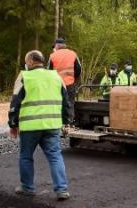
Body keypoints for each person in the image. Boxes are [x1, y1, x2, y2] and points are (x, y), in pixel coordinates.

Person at [9, 50, 70, 201]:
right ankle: (62, 189)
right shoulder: (56, 76)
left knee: (26, 157)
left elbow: (15, 102)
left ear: (30, 62)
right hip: (52, 125)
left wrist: (12, 123)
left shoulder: (25, 76)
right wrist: (66, 121)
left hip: (30, 126)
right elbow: (66, 102)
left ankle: (27, 188)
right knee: (55, 156)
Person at [48, 37, 81, 124]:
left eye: (54, 46)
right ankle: (69, 124)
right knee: (69, 104)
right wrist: (73, 78)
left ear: (57, 45)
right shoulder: (73, 54)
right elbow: (79, 69)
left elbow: (48, 72)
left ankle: (57, 123)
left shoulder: (52, 56)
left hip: (56, 85)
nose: (53, 48)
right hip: (70, 84)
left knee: (57, 104)